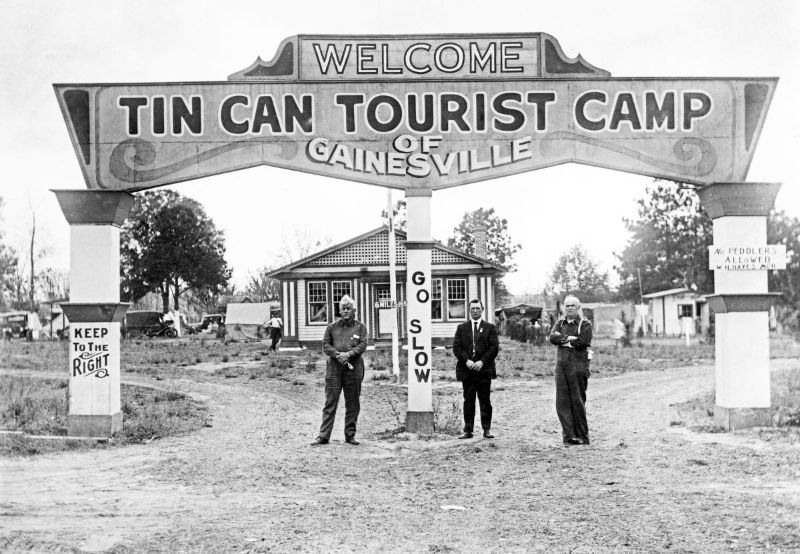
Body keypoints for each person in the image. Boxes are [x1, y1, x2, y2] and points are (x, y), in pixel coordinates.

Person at [311, 295, 368, 446]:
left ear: (354, 310)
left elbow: (363, 345)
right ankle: (323, 436)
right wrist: (338, 355)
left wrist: (349, 355)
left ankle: (350, 435)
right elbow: (325, 345)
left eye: (349, 308)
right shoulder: (331, 327)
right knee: (330, 401)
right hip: (334, 369)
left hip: (353, 368)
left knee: (353, 403)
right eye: (343, 308)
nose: (346, 311)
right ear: (340, 310)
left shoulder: (361, 327)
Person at [452, 298, 500, 439]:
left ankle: (486, 430)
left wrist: (482, 362)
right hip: (467, 371)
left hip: (483, 371)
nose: (475, 311)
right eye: (472, 308)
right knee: (468, 401)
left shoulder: (490, 328)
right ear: (469, 310)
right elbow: (456, 348)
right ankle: (468, 430)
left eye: (477, 308)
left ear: (482, 310)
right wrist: (466, 360)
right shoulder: (462, 328)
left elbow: (494, 348)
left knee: (485, 401)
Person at [549, 294, 593, 446]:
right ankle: (569, 436)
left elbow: (583, 341)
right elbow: (552, 338)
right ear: (564, 308)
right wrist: (571, 339)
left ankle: (582, 436)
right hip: (561, 367)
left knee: (577, 401)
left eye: (572, 306)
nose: (569, 308)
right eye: (567, 306)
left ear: (578, 307)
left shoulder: (585, 324)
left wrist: (563, 340)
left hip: (578, 367)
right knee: (562, 402)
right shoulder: (560, 323)